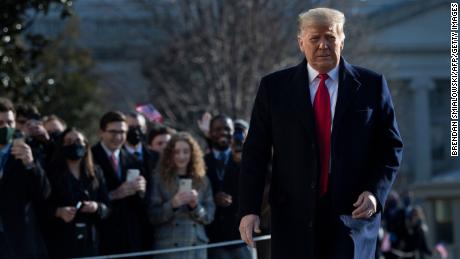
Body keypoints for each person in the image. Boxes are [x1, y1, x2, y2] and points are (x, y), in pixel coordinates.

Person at [238, 7, 403, 259]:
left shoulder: (372, 85)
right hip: (293, 217)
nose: (323, 45)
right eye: (315, 38)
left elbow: (390, 147)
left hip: (353, 216)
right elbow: (255, 153)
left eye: (330, 37)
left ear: (342, 40)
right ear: (301, 42)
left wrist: (374, 192)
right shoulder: (274, 88)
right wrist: (249, 209)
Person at [44, 128, 110, 258]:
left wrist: (97, 207)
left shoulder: (96, 172)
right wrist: (58, 212)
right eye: (69, 141)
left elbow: (107, 206)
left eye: (79, 141)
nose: (74, 145)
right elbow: (41, 206)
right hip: (62, 241)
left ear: (86, 145)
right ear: (61, 146)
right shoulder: (51, 173)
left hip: (91, 241)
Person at [148, 132, 215, 259]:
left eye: (186, 151)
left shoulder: (203, 180)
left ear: (193, 154)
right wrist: (173, 204)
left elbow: (209, 217)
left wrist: (195, 206)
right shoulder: (158, 179)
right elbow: (152, 216)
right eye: (176, 152)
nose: (181, 156)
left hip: (196, 249)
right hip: (168, 249)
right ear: (170, 154)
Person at [0, 98, 50, 258]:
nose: (6, 127)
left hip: (18, 241)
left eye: (10, 122)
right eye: (0, 123)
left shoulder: (29, 150)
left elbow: (44, 192)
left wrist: (30, 164)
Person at [91, 111, 147, 256]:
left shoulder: (133, 160)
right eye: (112, 132)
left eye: (122, 132)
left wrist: (142, 190)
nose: (117, 137)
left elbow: (141, 204)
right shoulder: (90, 158)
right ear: (101, 132)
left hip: (130, 239)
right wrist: (113, 195)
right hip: (101, 237)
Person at [204, 115, 252, 259]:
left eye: (227, 129)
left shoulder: (247, 160)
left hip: (242, 237)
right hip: (215, 239)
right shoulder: (201, 162)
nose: (223, 132)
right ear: (210, 133)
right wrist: (213, 199)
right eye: (217, 129)